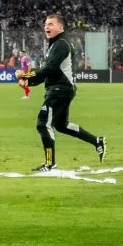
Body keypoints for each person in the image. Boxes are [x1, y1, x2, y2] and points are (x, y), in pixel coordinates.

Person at [16, 14, 106, 171]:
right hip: (61, 89)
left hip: (59, 90)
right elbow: (49, 73)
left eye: (51, 24)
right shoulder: (56, 45)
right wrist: (28, 81)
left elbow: (49, 69)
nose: (46, 27)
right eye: (45, 24)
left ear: (61, 27)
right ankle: (97, 141)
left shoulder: (61, 44)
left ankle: (50, 164)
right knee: (61, 125)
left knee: (43, 124)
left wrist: (25, 75)